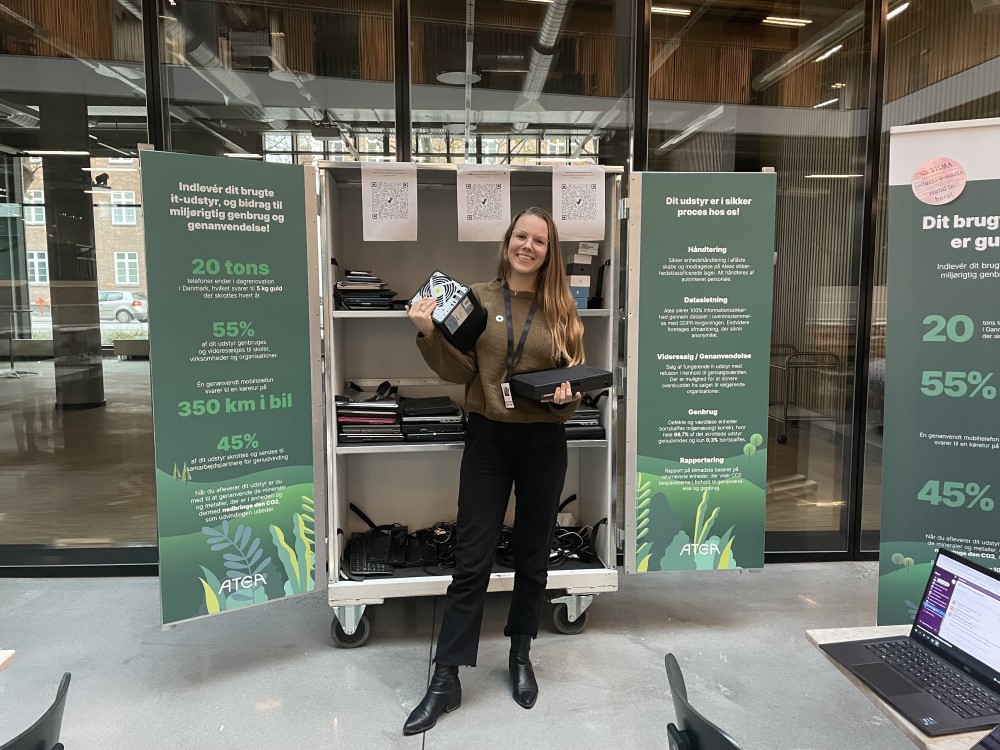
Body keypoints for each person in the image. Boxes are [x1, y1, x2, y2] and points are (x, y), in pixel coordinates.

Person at [403, 207, 585, 735]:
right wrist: (428, 333)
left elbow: (573, 379)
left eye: (540, 241)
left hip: (543, 440)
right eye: (521, 236)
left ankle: (521, 652)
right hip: (487, 438)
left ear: (550, 253)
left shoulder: (562, 309)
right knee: (471, 557)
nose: (528, 246)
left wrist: (566, 398)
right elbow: (459, 368)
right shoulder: (477, 299)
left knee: (533, 553)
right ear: (508, 241)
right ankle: (446, 678)